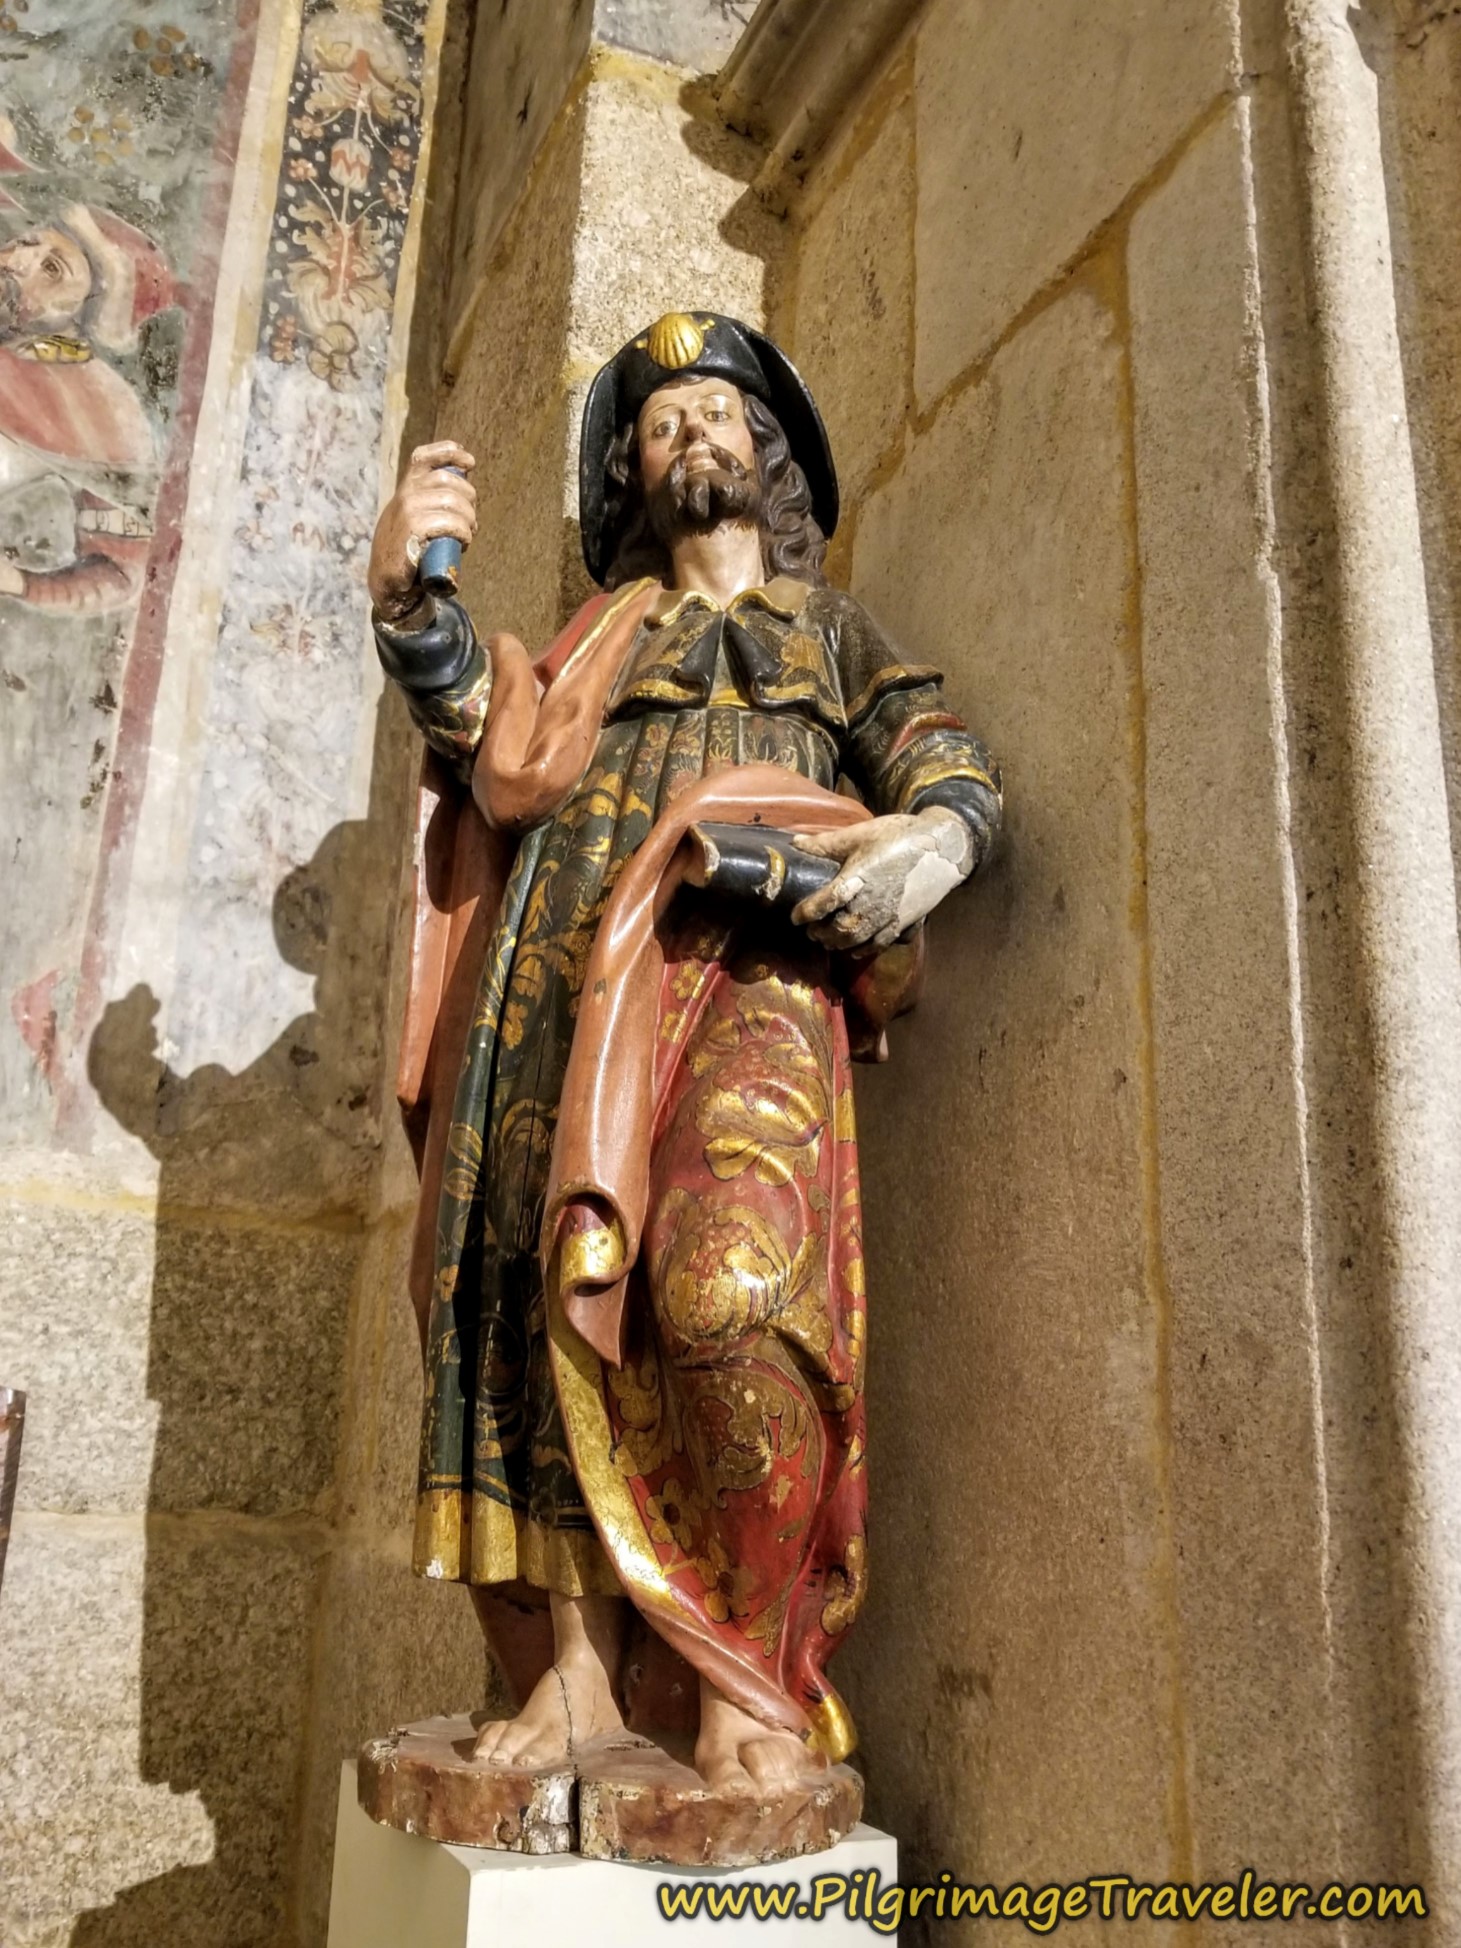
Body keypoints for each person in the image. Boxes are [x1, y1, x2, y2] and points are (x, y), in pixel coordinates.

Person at [366, 312, 1003, 1799]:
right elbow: (485, 731)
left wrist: (929, 843)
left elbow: (943, 763)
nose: (691, 439)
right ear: (633, 478)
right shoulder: (605, 634)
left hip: (747, 963)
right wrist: (408, 594)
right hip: (564, 977)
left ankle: (744, 1671)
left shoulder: (831, 632)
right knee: (548, 1291)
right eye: (661, 428)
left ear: (764, 454)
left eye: (716, 415)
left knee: (732, 1295)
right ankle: (577, 1678)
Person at [0, 204, 174, 612]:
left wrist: (19, 584)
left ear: (84, 313)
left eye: (53, 269)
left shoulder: (100, 415)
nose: (15, 262)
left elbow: (120, 571)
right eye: (25, 242)